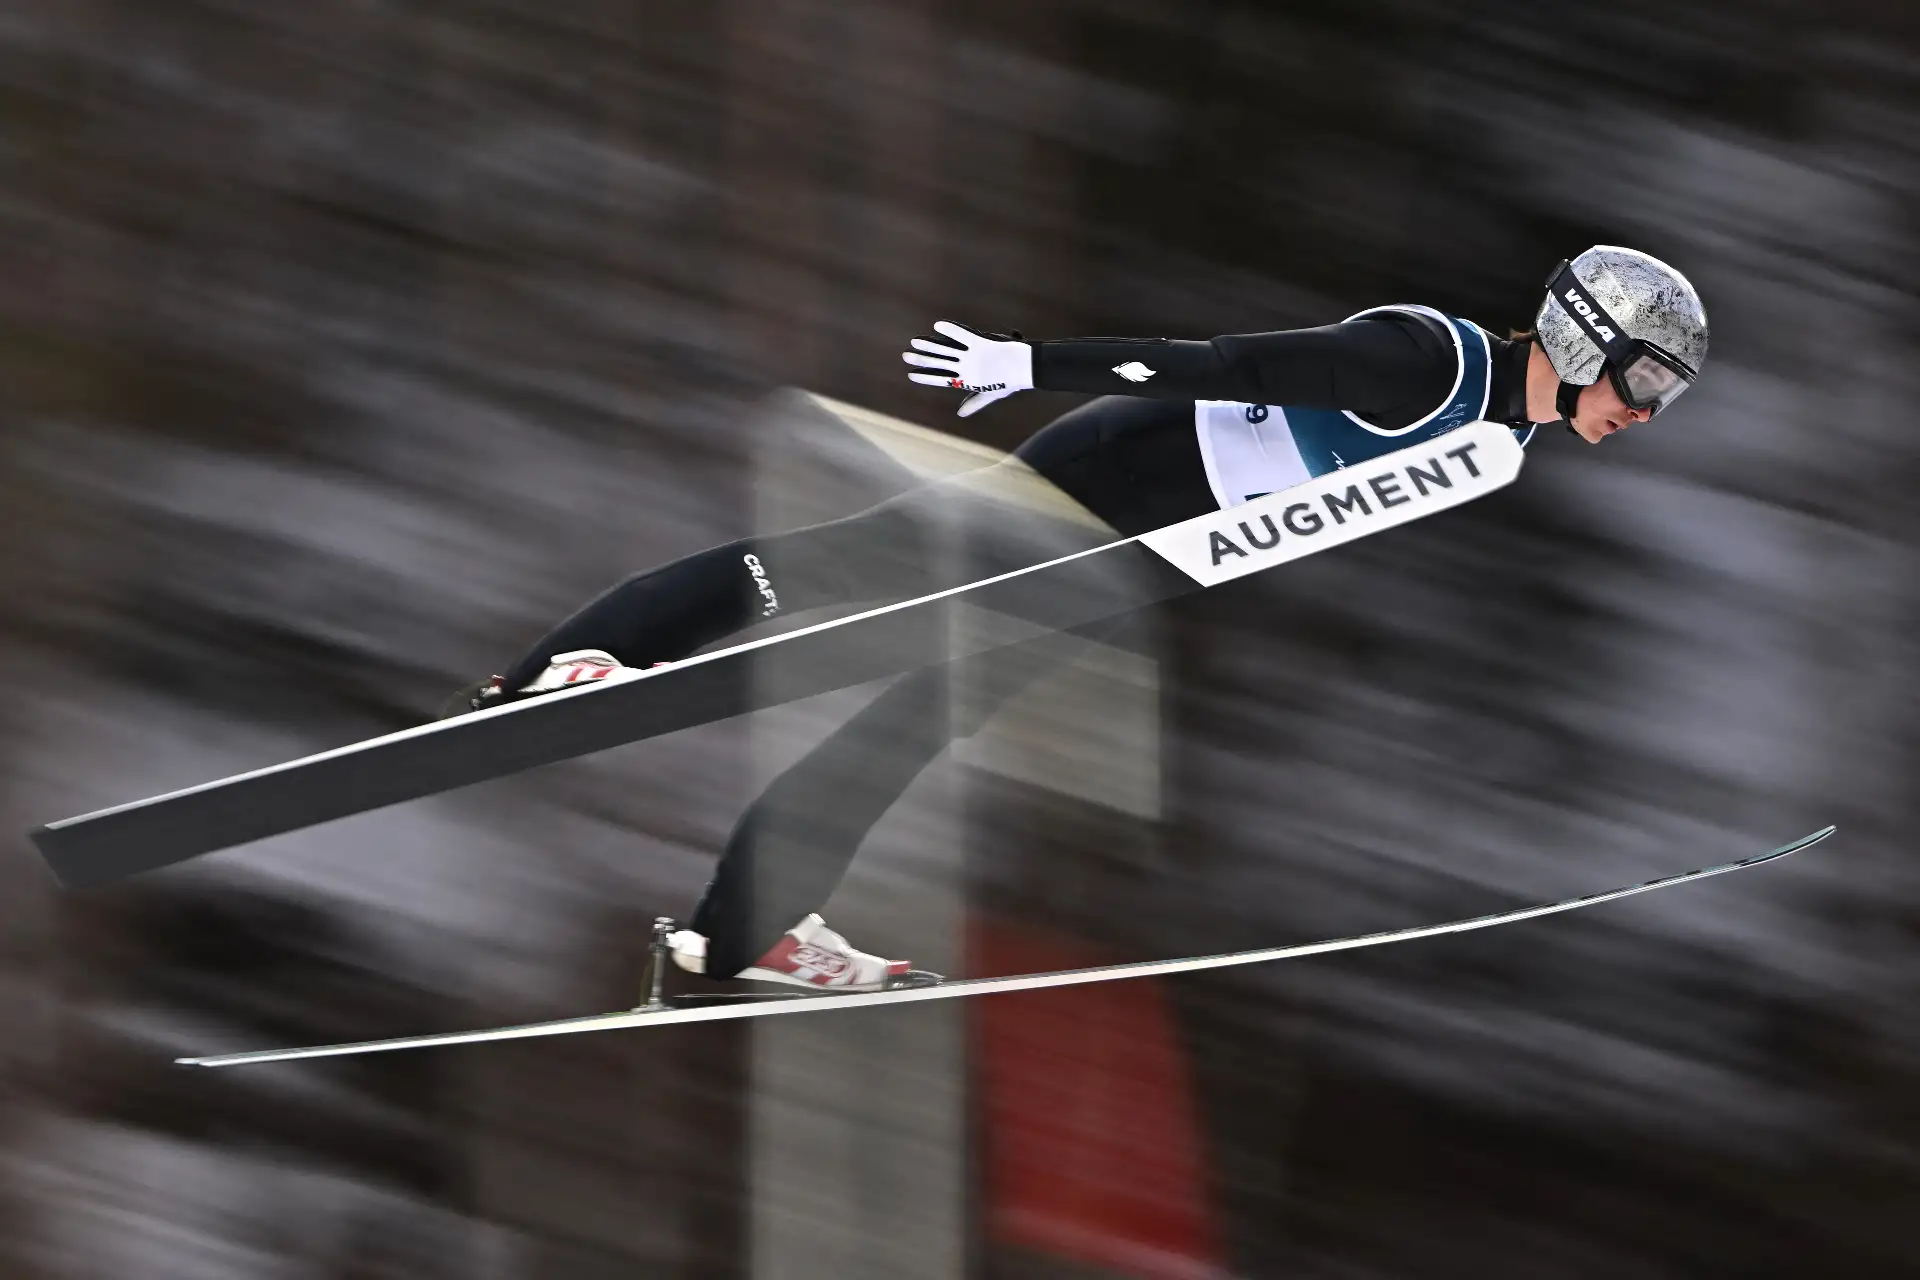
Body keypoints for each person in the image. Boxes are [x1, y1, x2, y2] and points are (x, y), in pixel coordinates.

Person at [447, 245, 1709, 991]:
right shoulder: (1430, 365)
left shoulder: (1498, 440)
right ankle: (563, 670)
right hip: (1111, 474)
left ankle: (732, 938)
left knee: (914, 726)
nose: (1645, 412)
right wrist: (1030, 363)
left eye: (1666, 395)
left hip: (1143, 554)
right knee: (845, 570)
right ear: (1585, 336)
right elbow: (1226, 360)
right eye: (1645, 380)